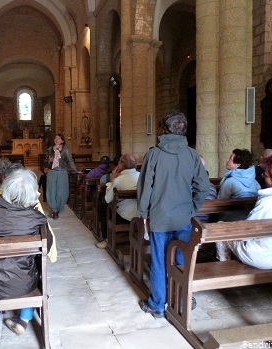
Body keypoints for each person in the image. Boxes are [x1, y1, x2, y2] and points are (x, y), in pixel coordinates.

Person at [137, 111, 210, 318]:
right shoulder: (192, 155)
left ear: (164, 129)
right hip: (183, 219)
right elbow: (203, 188)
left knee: (159, 261)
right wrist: (191, 209)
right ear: (183, 129)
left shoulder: (154, 155)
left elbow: (145, 188)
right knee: (180, 260)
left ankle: (158, 305)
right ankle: (180, 298)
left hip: (159, 218)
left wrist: (143, 212)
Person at [0, 168, 55, 336]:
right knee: (36, 263)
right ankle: (25, 317)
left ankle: (23, 316)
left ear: (5, 188)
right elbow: (47, 248)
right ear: (32, 193)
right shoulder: (35, 218)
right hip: (20, 286)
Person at [96, 154, 140, 249]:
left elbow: (107, 199)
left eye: (119, 162)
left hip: (124, 217)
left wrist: (113, 179)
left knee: (102, 208)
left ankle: (105, 239)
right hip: (140, 214)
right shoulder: (141, 176)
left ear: (122, 164)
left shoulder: (119, 180)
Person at [218, 148, 260, 221]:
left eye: (230, 158)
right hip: (252, 217)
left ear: (237, 164)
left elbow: (219, 202)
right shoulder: (255, 182)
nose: (227, 160)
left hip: (232, 218)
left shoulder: (230, 181)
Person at [44, 133, 78, 219]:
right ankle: (54, 209)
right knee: (51, 191)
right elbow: (45, 162)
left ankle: (57, 208)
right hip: (52, 172)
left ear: (62, 141)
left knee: (61, 192)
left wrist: (76, 171)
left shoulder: (66, 150)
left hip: (62, 172)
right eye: (55, 138)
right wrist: (49, 161)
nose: (56, 139)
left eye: (59, 138)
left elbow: (70, 161)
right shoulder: (50, 150)